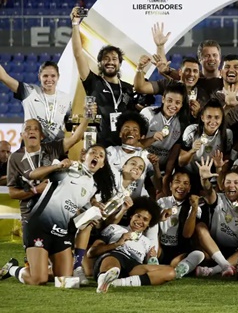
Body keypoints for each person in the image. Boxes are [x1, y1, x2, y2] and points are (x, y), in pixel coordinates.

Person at [0, 144, 115, 286]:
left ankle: (41, 268)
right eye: (93, 152)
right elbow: (33, 174)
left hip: (61, 233)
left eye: (101, 155)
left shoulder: (93, 187)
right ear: (84, 155)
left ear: (102, 164)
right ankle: (13, 269)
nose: (96, 156)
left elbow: (77, 206)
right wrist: (57, 166)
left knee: (65, 278)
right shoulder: (68, 169)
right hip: (40, 225)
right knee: (38, 280)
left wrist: (93, 210)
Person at [7, 118, 90, 229]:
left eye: (36, 129)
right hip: (31, 213)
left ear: (41, 136)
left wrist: (87, 117)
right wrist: (35, 190)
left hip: (56, 212)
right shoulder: (15, 158)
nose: (31, 131)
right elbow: (12, 193)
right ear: (22, 135)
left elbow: (75, 138)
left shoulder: (52, 148)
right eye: (27, 129)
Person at [71, 7, 134, 144]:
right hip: (98, 148)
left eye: (114, 59)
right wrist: (76, 24)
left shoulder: (129, 89)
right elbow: (78, 54)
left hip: (122, 148)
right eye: (106, 58)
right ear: (100, 63)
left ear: (120, 63)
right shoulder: (93, 82)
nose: (110, 62)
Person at [88, 196, 175, 293]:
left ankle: (116, 282)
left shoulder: (147, 242)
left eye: (145, 219)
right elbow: (91, 253)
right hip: (113, 256)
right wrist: (116, 244)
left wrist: (151, 258)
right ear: (131, 216)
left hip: (134, 265)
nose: (139, 221)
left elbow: (151, 265)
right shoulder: (114, 228)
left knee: (170, 272)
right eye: (138, 216)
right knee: (113, 265)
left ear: (148, 225)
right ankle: (104, 278)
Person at [194, 161, 238, 276]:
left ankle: (213, 271)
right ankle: (225, 266)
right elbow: (208, 191)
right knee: (200, 227)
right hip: (213, 249)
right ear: (223, 186)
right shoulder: (218, 199)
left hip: (235, 252)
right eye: (228, 182)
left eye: (236, 182)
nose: (232, 186)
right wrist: (204, 180)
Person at [0, 61, 72, 142]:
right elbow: (3, 76)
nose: (49, 79)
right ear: (39, 77)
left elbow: (69, 127)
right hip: (31, 147)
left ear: (58, 77)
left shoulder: (66, 99)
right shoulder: (29, 92)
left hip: (55, 149)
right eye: (45, 76)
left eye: (53, 76)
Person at [156, 171, 205, 279]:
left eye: (185, 183)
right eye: (177, 182)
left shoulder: (194, 207)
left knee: (199, 254)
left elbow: (187, 234)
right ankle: (156, 263)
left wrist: (194, 208)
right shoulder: (162, 202)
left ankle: (180, 270)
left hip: (180, 251)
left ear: (189, 188)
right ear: (170, 185)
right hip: (160, 249)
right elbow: (153, 228)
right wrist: (160, 216)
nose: (181, 186)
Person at [135, 52, 211, 120]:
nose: (191, 74)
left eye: (195, 71)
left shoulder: (206, 89)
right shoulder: (169, 85)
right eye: (187, 70)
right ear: (180, 72)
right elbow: (141, 87)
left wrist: (199, 113)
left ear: (199, 74)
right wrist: (140, 68)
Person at [179, 99, 233, 190]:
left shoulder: (227, 134)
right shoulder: (191, 131)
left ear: (222, 119)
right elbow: (181, 163)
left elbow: (225, 163)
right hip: (191, 174)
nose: (212, 121)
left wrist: (219, 167)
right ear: (202, 117)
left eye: (217, 117)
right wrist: (192, 151)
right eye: (209, 117)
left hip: (213, 174)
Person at [140, 82, 190, 171]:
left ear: (182, 104)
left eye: (177, 103)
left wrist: (167, 175)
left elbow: (174, 154)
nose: (173, 106)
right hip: (142, 163)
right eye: (169, 100)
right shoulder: (147, 113)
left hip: (162, 169)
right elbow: (138, 144)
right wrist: (152, 139)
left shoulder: (182, 123)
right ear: (163, 99)